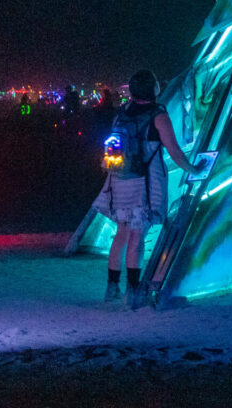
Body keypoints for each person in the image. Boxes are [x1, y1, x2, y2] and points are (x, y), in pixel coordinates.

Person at [91, 69, 203, 308]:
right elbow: (173, 150)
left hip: (119, 181)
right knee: (137, 236)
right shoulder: (157, 115)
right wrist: (193, 169)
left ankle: (112, 287)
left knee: (121, 234)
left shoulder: (122, 114)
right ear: (153, 89)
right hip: (144, 183)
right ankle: (132, 292)